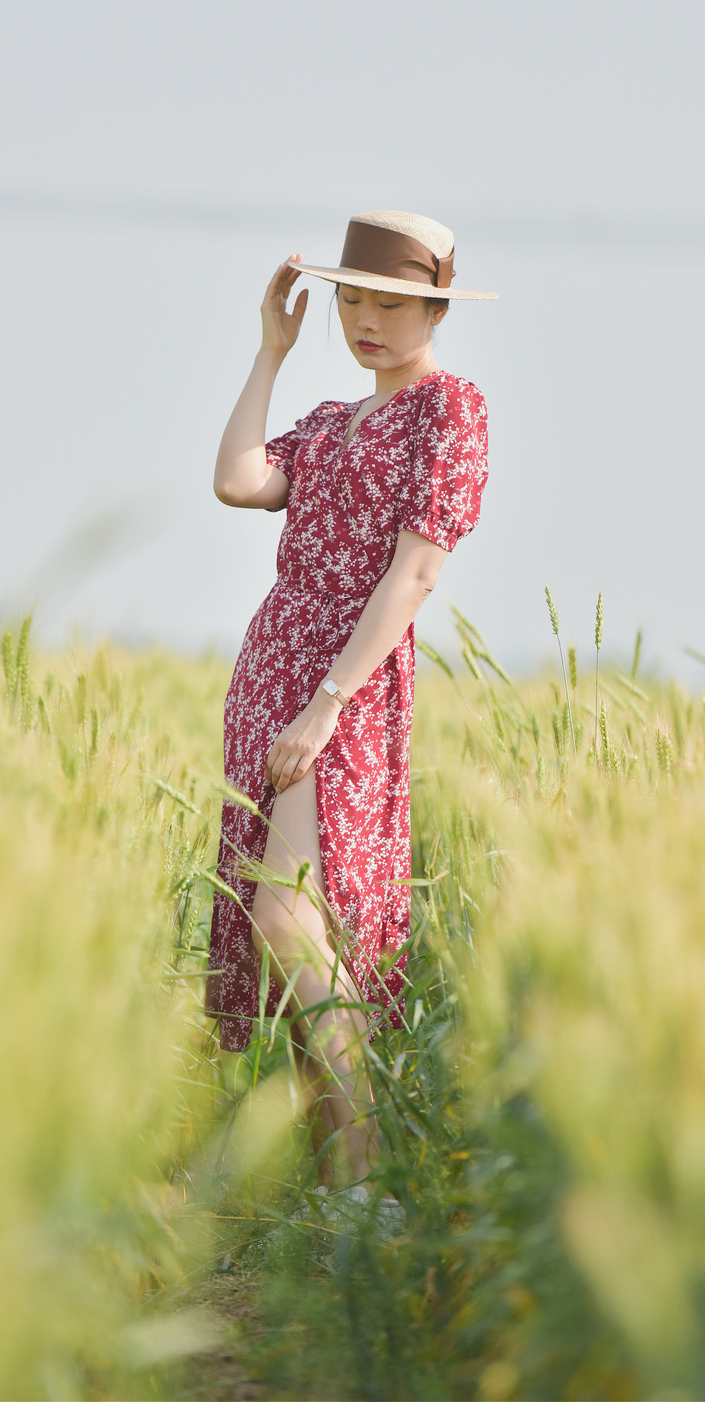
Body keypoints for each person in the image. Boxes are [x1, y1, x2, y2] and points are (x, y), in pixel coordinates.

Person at [206, 210, 495, 1187]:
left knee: (289, 915)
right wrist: (270, 351)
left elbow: (414, 575)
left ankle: (366, 1171)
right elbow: (239, 480)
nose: (367, 318)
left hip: (347, 676)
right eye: (353, 299)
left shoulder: (448, 409)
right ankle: (334, 1191)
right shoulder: (332, 420)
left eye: (393, 302)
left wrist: (327, 703)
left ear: (437, 307)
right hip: (274, 661)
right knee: (286, 923)